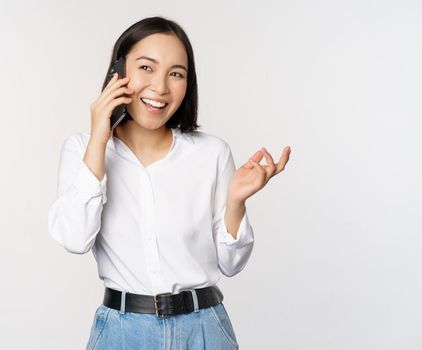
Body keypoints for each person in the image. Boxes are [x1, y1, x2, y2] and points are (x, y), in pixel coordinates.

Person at [48, 16, 291, 349]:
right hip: (122, 333)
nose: (160, 87)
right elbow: (75, 238)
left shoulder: (211, 153)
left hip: (204, 329)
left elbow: (232, 265)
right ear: (117, 72)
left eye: (176, 73)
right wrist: (99, 139)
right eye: (146, 68)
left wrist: (236, 202)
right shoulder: (83, 149)